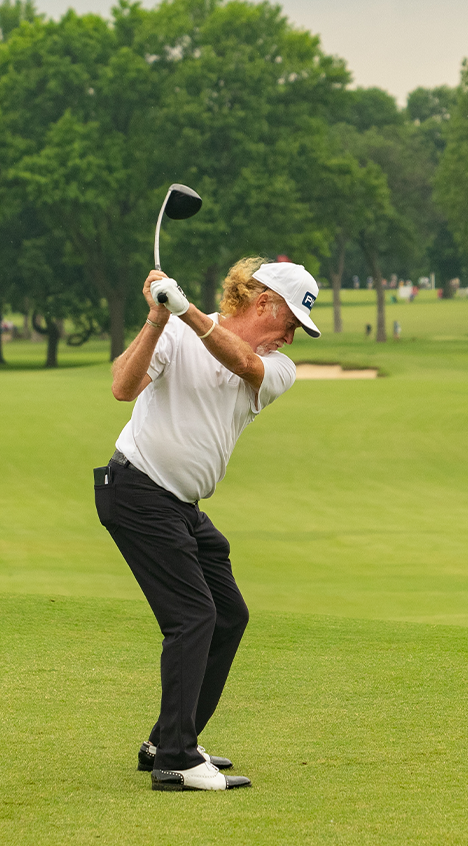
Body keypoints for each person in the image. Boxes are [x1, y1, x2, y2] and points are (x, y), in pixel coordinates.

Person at [100, 257, 319, 793]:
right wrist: (157, 318)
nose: (292, 336)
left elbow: (242, 360)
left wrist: (185, 310)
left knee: (228, 614)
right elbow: (122, 389)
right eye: (291, 321)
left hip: (181, 507)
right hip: (137, 491)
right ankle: (175, 760)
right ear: (263, 299)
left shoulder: (275, 368)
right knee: (195, 615)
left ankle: (169, 737)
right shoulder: (173, 330)